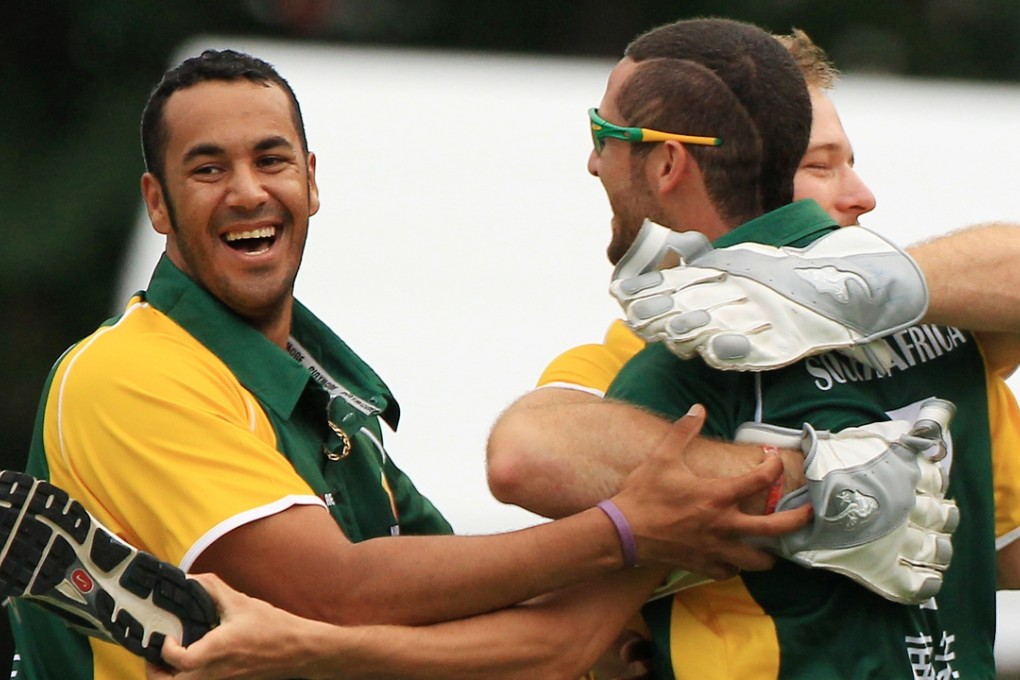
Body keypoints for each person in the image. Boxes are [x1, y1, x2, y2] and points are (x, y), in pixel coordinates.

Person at [133, 21, 975, 679]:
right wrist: (810, 488)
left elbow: (553, 633)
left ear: (670, 165)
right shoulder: (950, 345)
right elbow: (532, 468)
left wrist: (305, 649)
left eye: (604, 133)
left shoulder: (674, 380)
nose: (590, 162)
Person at [7, 47, 813, 680]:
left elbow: (475, 608)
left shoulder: (326, 384)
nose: (248, 191)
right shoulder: (128, 372)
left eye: (272, 160)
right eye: (208, 168)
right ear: (157, 203)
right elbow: (342, 594)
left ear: (312, 182)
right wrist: (629, 531)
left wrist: (648, 560)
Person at [485, 19, 1020, 678]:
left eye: (848, 161)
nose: (860, 195)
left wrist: (843, 289)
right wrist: (809, 487)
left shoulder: (930, 344)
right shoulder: (655, 356)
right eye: (819, 165)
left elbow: (997, 549)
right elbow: (528, 452)